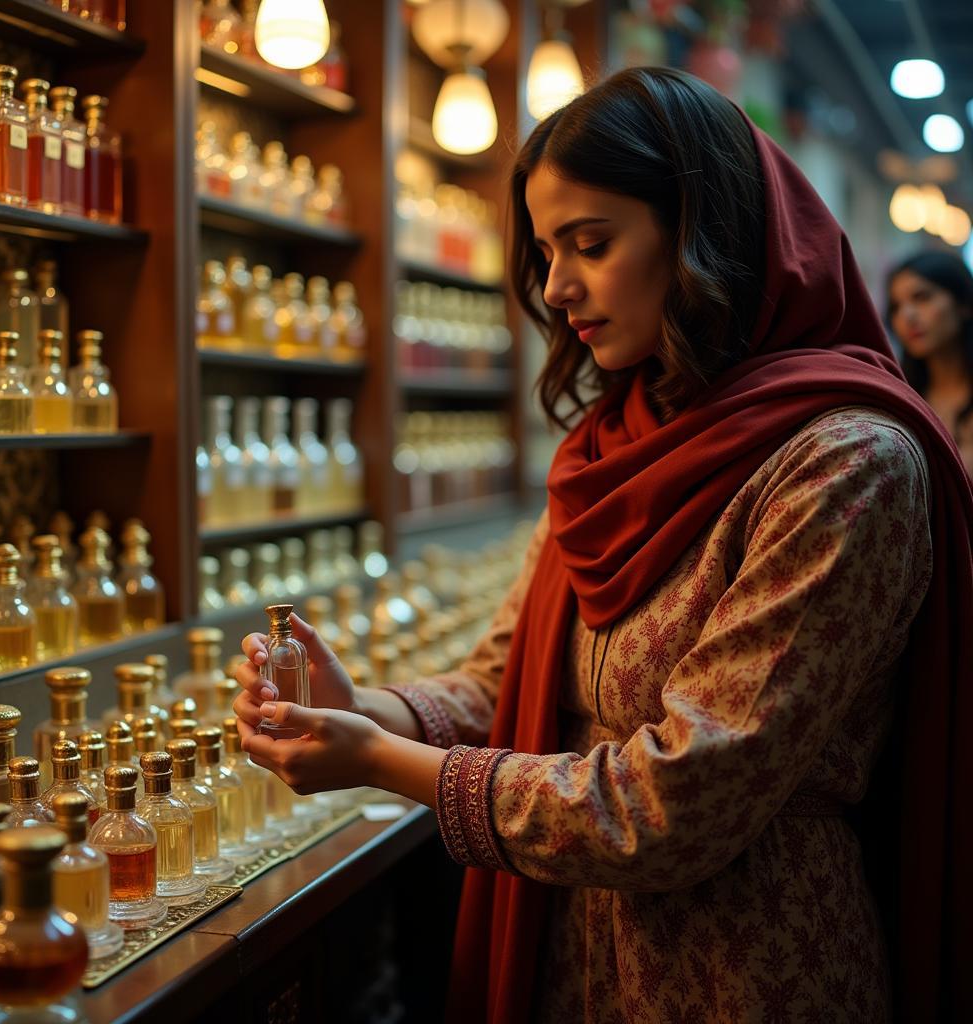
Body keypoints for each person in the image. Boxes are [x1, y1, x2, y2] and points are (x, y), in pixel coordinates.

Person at [233, 68, 973, 1023]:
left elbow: (673, 804)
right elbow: (505, 682)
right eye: (545, 251)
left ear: (708, 233)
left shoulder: (844, 462)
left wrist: (378, 759)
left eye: (592, 243)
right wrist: (361, 705)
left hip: (745, 966)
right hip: (573, 954)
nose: (557, 287)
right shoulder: (617, 438)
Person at [887, 250, 973, 476]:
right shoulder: (900, 399)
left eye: (922, 297)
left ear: (963, 304)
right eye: (896, 306)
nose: (907, 316)